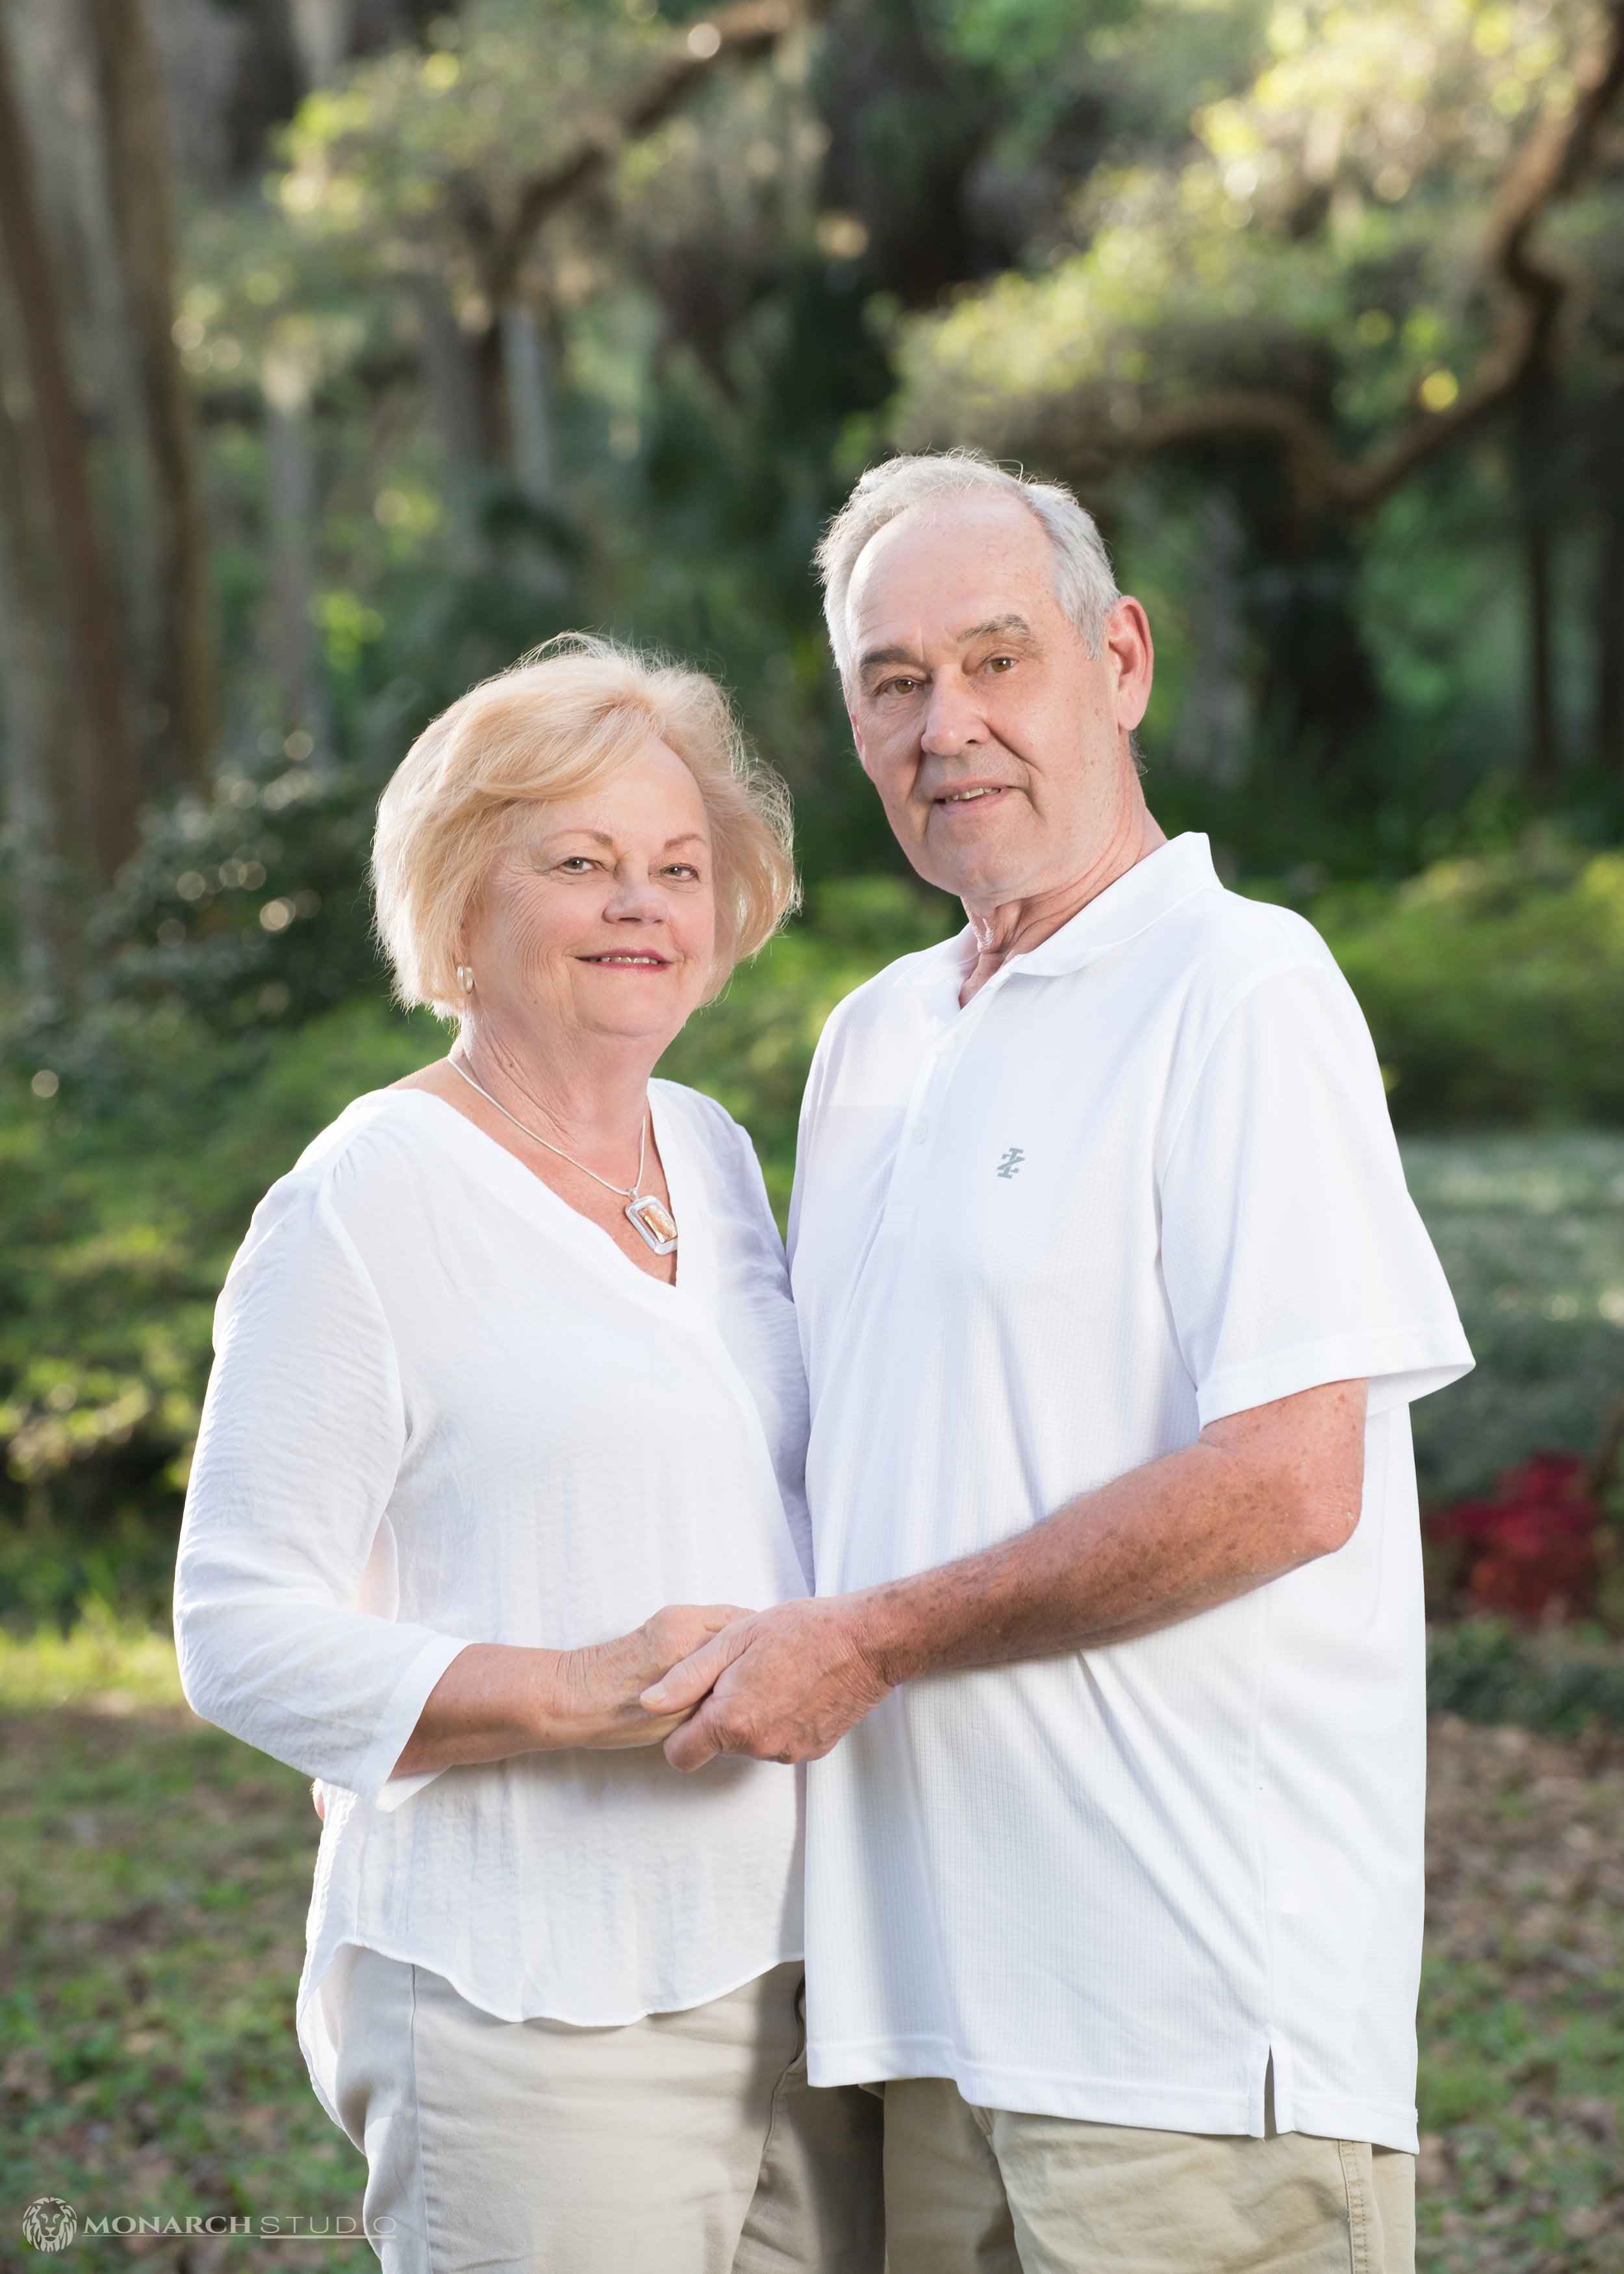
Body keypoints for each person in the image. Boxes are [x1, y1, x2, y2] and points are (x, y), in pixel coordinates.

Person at [642, 453, 1475, 2274]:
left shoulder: (1239, 987)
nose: (948, 725)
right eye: (893, 680)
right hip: (924, 2017)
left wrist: (868, 1639)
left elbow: (1287, 1479)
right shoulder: (867, 1046)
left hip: (1188, 2027)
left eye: (996, 660)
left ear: (1119, 661)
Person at [172, 636, 883, 2274]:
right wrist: (579, 1689)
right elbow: (236, 1632)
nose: (641, 903)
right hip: (526, 1995)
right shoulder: (367, 1197)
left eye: (677, 867)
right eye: (580, 862)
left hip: (801, 1978)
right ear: (461, 911)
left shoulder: (705, 1154)